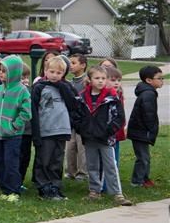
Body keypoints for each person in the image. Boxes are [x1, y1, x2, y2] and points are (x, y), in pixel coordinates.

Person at [77, 66, 132, 206]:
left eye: (103, 78)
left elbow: (119, 118)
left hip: (106, 138)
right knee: (92, 165)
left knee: (110, 166)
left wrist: (108, 131)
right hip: (89, 138)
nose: (101, 81)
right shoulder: (82, 97)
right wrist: (82, 130)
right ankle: (95, 191)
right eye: (97, 78)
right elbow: (77, 116)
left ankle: (117, 193)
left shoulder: (112, 98)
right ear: (89, 80)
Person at [31, 56, 78, 200]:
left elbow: (73, 104)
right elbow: (33, 109)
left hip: (61, 130)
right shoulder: (40, 87)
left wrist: (62, 86)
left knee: (57, 161)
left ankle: (55, 187)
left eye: (59, 73)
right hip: (45, 130)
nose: (54, 75)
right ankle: (44, 188)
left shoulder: (67, 86)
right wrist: (36, 133)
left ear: (63, 73)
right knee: (44, 160)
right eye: (52, 71)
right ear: (45, 70)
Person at [0, 55, 31, 202]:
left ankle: (14, 190)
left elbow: (26, 112)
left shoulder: (22, 90)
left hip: (12, 135)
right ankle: (5, 189)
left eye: (4, 71)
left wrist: (15, 126)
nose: (1, 74)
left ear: (14, 72)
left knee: (11, 162)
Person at [127, 65, 163, 188]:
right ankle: (137, 181)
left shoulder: (148, 92)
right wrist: (151, 129)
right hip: (140, 131)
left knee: (145, 157)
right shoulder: (148, 94)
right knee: (143, 158)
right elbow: (149, 115)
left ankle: (144, 178)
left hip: (140, 131)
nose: (162, 80)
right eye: (159, 78)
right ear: (149, 80)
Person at [65, 53, 89, 181]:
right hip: (71, 120)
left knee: (82, 147)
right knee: (70, 147)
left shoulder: (86, 81)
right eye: (69, 63)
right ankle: (70, 171)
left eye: (74, 63)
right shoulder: (69, 82)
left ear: (83, 65)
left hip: (82, 120)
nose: (70, 66)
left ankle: (83, 172)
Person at [18, 65, 34, 187]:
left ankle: (21, 180)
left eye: (27, 77)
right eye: (22, 77)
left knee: (25, 157)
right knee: (16, 157)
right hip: (16, 131)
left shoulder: (30, 91)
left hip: (28, 131)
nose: (26, 80)